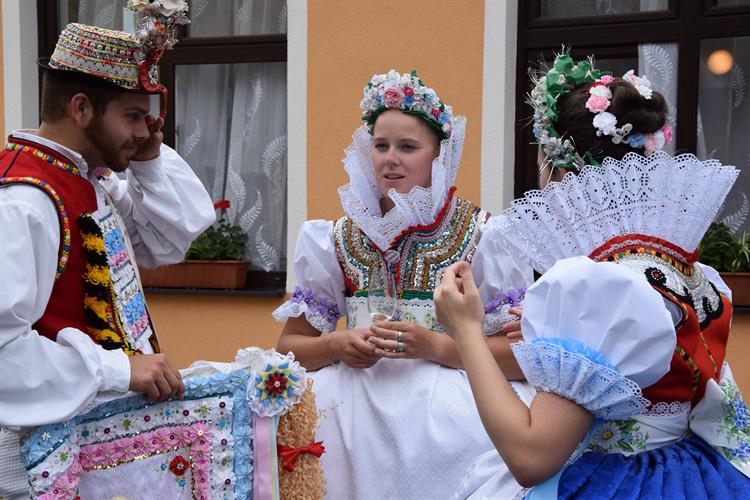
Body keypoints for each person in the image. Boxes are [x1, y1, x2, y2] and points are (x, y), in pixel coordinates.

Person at [435, 52, 750, 499]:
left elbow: (531, 456)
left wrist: (464, 328)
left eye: (543, 162)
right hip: (694, 472)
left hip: (619, 480)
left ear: (562, 169)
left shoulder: (599, 287)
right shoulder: (692, 273)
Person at [273, 69, 533, 499]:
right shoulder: (332, 238)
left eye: (408, 147)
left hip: (449, 419)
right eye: (380, 145)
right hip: (350, 419)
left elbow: (521, 358)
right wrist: (337, 346)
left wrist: (438, 347)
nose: (390, 158)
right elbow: (290, 346)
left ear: (439, 156)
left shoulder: (485, 235)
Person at [0, 11, 214, 498]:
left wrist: (152, 158)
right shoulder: (23, 200)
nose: (147, 129)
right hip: (29, 466)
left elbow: (169, 239)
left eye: (150, 115)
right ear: (81, 108)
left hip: (89, 451)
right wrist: (119, 369)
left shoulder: (90, 181)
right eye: (133, 116)